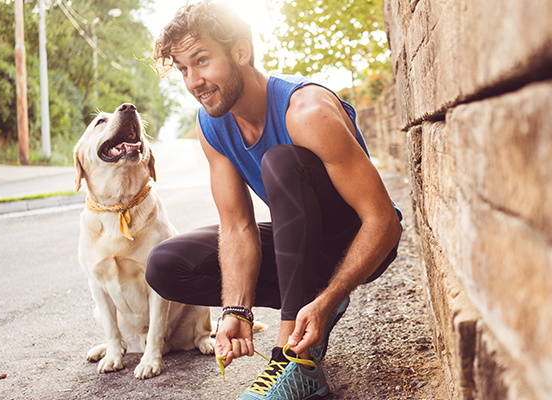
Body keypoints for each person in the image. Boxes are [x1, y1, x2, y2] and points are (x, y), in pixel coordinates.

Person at [146, 2, 402, 399]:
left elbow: (385, 221)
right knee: (166, 266)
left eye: (201, 61)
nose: (193, 81)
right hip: (301, 246)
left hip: (358, 241)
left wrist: (332, 296)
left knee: (280, 163)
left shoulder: (305, 110)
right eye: (183, 69)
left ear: (240, 52)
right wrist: (236, 309)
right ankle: (306, 310)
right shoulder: (212, 123)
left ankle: (294, 361)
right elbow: (237, 227)